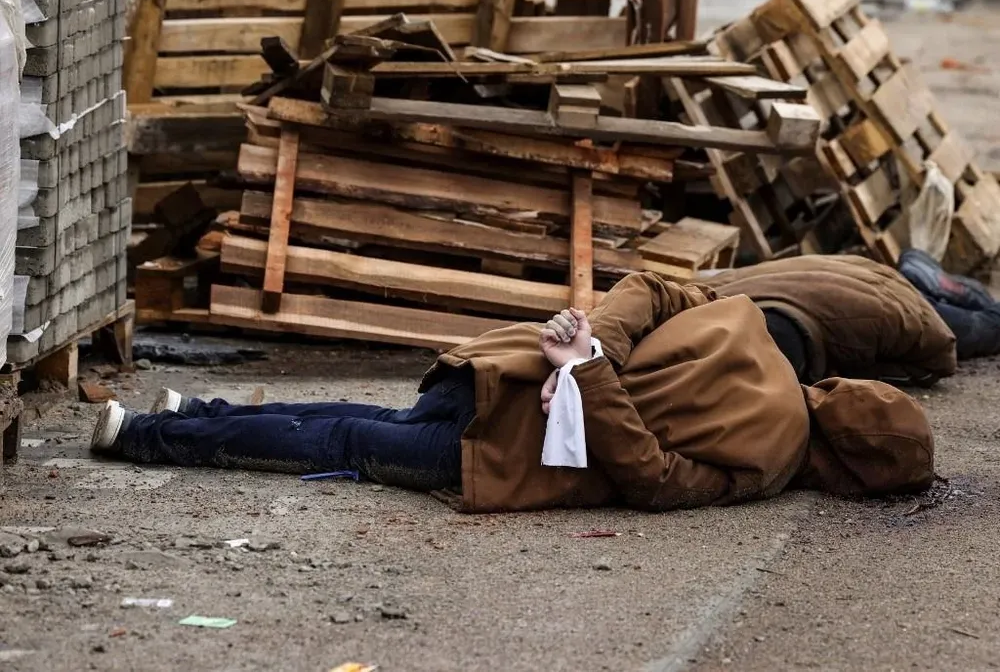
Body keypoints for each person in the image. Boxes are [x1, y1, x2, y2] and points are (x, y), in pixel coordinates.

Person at [91, 273, 935, 513]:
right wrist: (591, 374)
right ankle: (142, 436)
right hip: (515, 451)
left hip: (506, 369)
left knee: (368, 419)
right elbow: (650, 479)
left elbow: (651, 284)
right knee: (352, 442)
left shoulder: (749, 327)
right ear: (850, 470)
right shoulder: (772, 462)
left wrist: (588, 345)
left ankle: (187, 414)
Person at [699, 253, 960, 388]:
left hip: (890, 296)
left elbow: (941, 357)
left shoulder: (870, 321)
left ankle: (922, 268)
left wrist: (856, 375)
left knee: (988, 324)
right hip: (839, 272)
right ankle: (919, 265)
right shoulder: (710, 299)